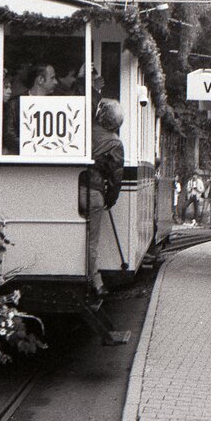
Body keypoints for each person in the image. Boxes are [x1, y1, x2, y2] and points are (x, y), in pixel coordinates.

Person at [84, 99, 125, 295]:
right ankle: (95, 282)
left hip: (72, 188)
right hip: (94, 192)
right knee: (92, 240)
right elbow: (116, 177)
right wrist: (111, 199)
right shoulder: (114, 143)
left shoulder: (84, 130)